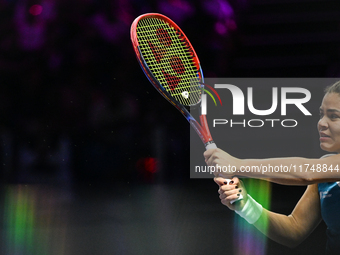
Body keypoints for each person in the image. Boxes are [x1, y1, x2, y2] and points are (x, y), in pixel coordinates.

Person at [204, 81, 340, 255]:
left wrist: (237, 164)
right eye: (322, 115)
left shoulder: (318, 171)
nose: (321, 123)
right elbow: (294, 229)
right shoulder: (324, 174)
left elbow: (307, 172)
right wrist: (245, 205)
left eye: (334, 116)